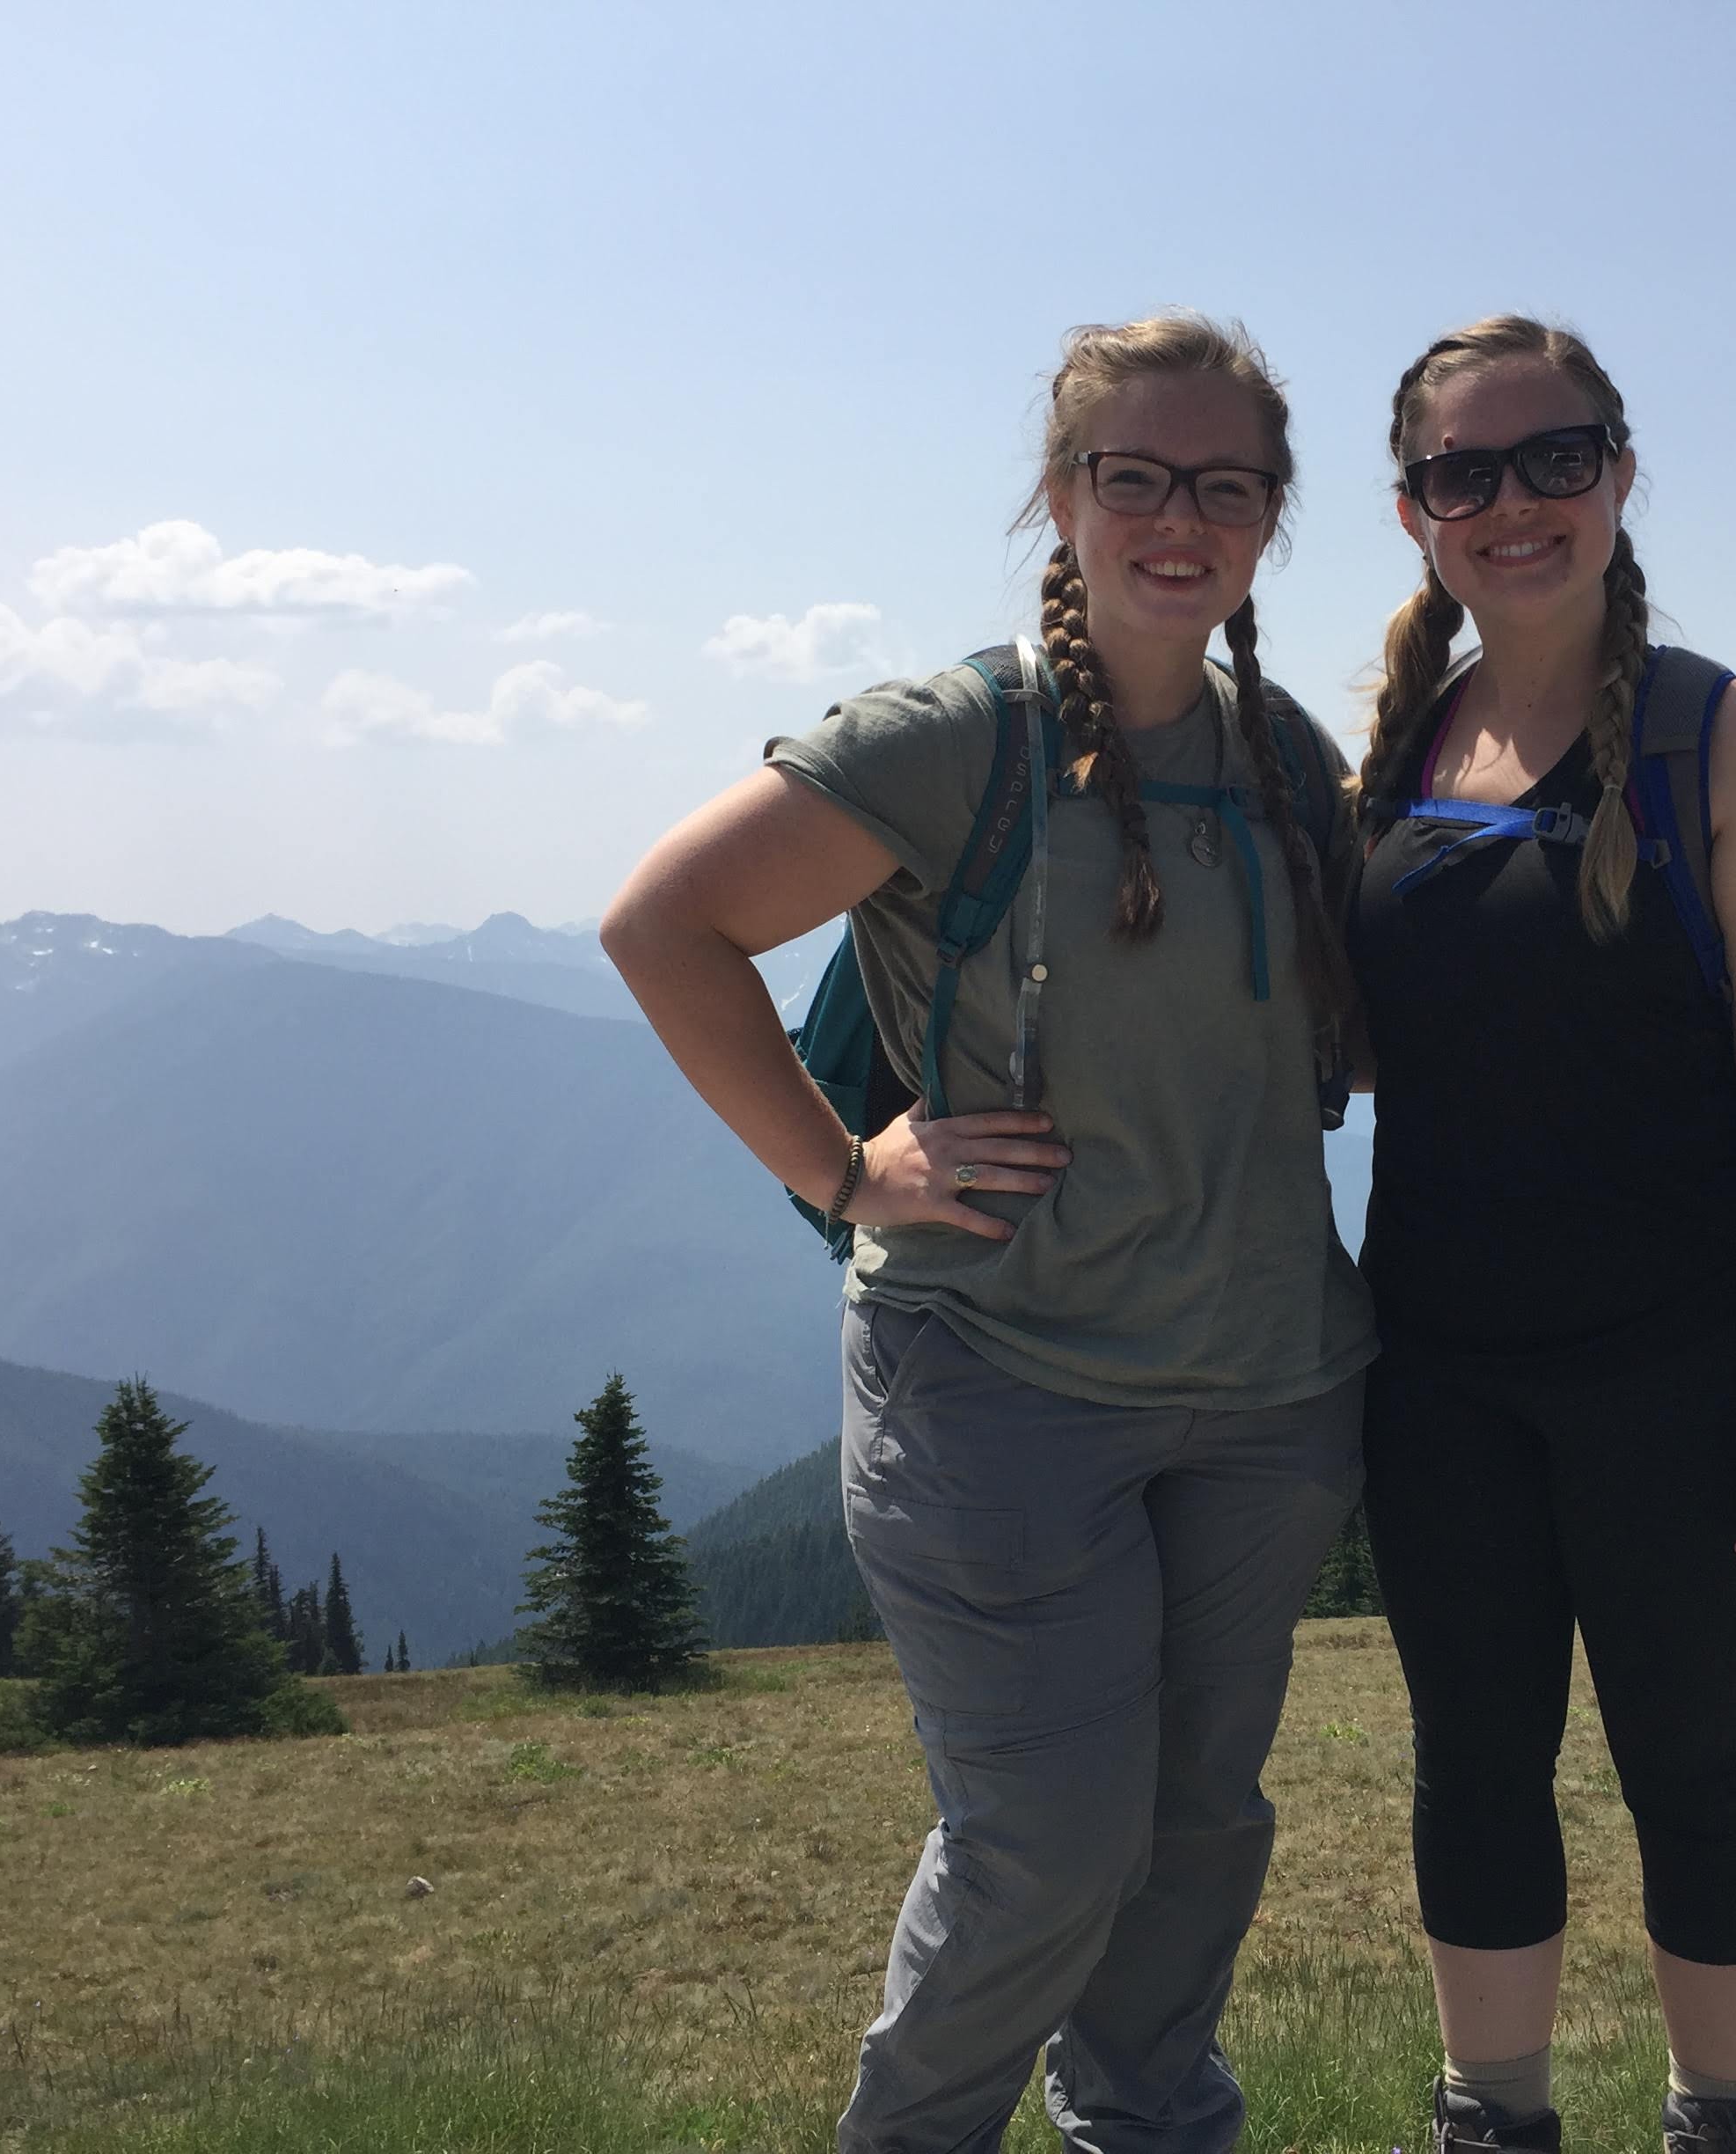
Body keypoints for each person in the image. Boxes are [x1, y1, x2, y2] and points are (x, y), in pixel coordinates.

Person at [599, 311, 1374, 2154]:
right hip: (997, 1386)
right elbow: (664, 925)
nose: (1179, 519)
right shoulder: (959, 741)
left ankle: (1148, 2126)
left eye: (1226, 486)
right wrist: (843, 1174)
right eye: (1136, 476)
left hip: (1265, 1391)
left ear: (1273, 517)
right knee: (1047, 1847)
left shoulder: (1283, 755)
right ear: (1061, 494)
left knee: (1199, 1831)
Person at [1345, 316, 1736, 2154]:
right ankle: (1492, 2122)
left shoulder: (1730, 737)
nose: (1514, 502)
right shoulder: (1403, 740)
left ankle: (1723, 2122)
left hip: (1681, 1368)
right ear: (1415, 510)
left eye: (1554, 458)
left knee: (1695, 1772)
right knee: (1472, 1767)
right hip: (1437, 1375)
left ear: (1621, 474)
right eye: (1464, 472)